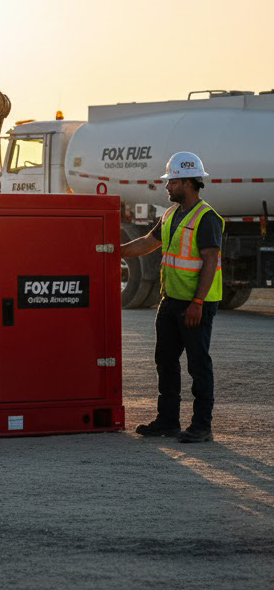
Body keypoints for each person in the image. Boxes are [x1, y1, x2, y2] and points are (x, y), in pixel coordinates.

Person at [120, 151, 224, 444]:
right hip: (170, 301)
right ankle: (167, 421)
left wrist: (198, 303)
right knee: (165, 361)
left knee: (197, 364)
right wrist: (113, 250)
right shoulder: (169, 215)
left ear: (189, 182)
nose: (166, 186)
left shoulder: (207, 218)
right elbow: (146, 243)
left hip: (194, 304)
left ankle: (202, 426)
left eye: (172, 181)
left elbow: (210, 261)